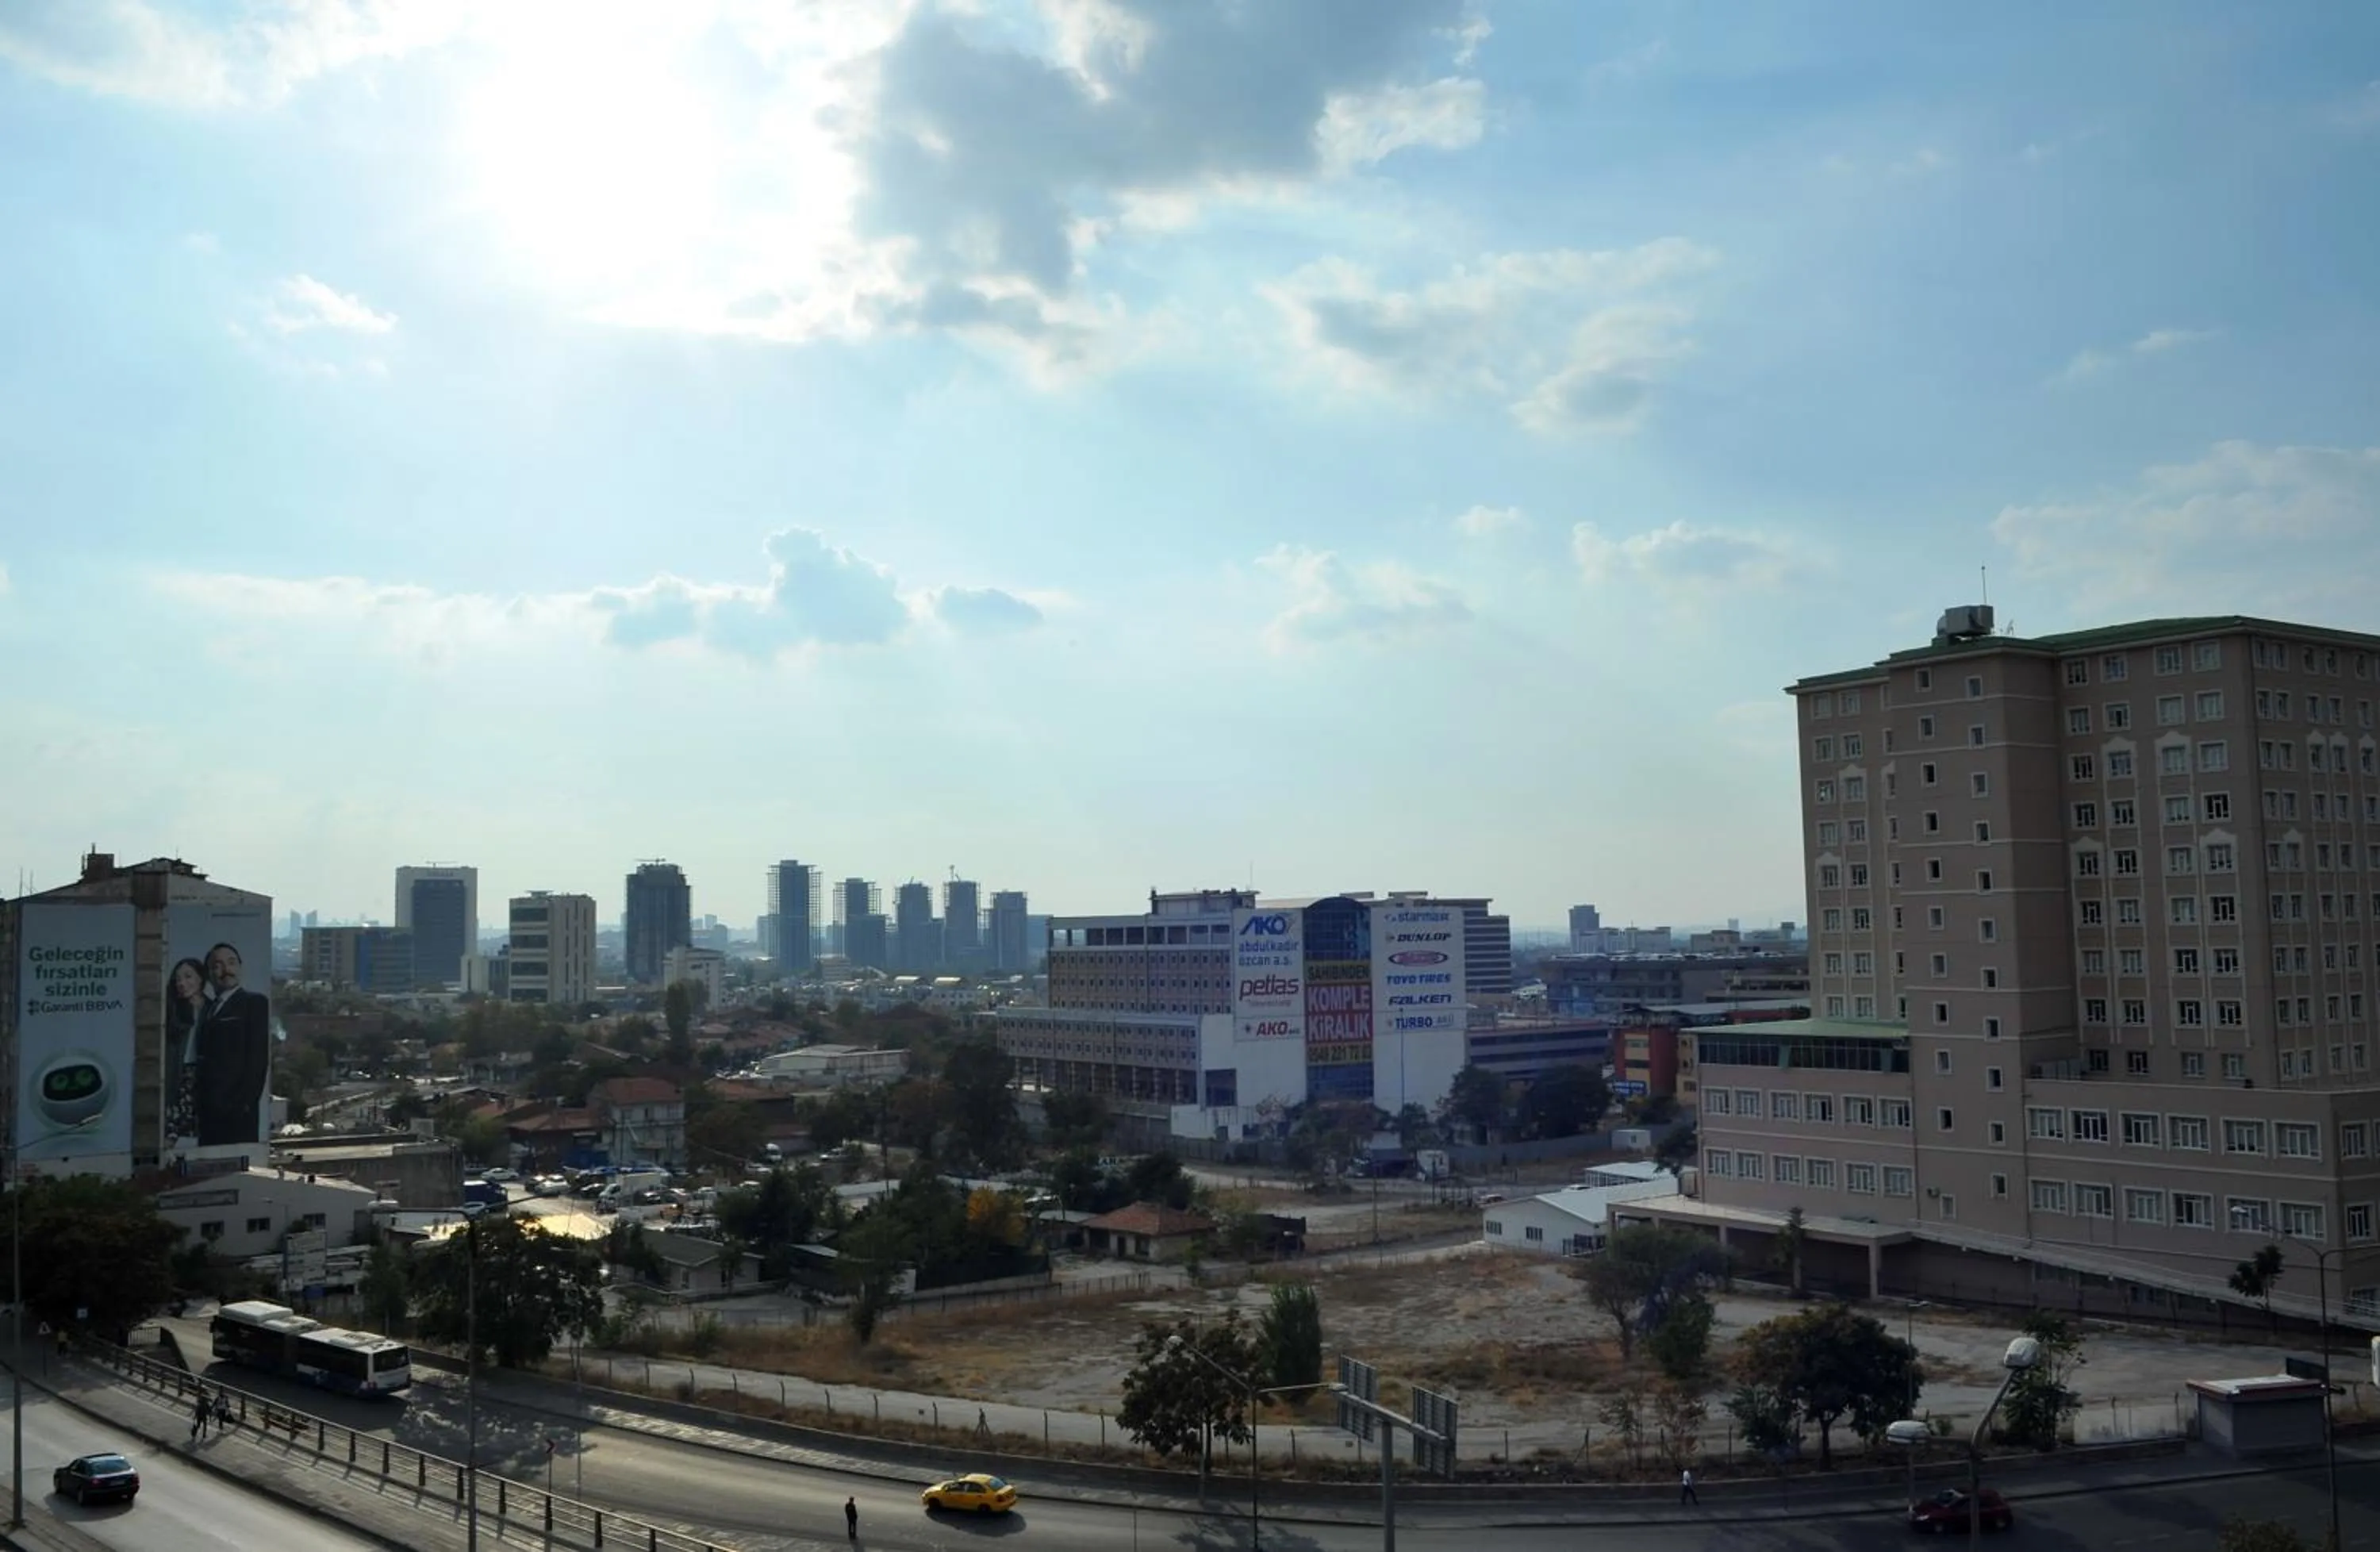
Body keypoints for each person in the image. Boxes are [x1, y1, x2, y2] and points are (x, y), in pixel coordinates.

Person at [192, 943, 271, 1147]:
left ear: (240, 967)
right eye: (218, 965)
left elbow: (257, 1060)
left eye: (232, 962)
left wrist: (242, 1106)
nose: (226, 970)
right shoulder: (207, 1009)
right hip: (207, 1116)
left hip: (236, 1118)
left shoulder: (254, 1003)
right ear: (209, 975)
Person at [162, 957, 207, 1147]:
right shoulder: (172, 1011)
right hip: (178, 1074)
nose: (182, 983)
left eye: (188, 977)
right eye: (178, 979)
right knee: (172, 1127)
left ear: (201, 979)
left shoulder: (213, 1009)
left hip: (203, 1075)